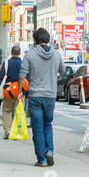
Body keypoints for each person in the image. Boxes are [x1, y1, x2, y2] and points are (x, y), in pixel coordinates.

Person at [20, 29, 64, 167]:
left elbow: (22, 74)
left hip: (35, 96)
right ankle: (49, 150)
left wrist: (20, 92)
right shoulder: (56, 54)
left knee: (37, 128)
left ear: (35, 40)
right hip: (50, 95)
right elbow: (62, 71)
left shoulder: (30, 54)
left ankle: (42, 159)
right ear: (48, 39)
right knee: (47, 125)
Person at [0, 44, 23, 138]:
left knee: (6, 110)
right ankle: (17, 132)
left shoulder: (6, 63)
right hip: (20, 91)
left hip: (9, 91)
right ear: (20, 53)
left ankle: (7, 131)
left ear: (11, 52)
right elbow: (28, 77)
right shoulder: (24, 63)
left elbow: (1, 76)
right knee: (18, 111)